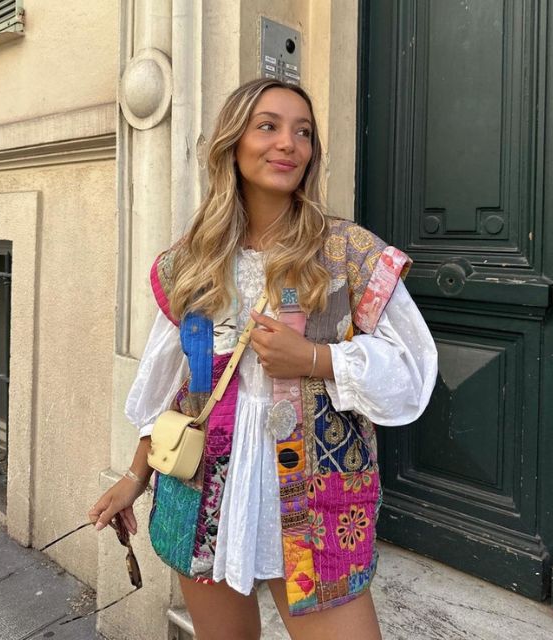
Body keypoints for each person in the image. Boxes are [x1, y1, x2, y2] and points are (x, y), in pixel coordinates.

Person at [89, 77, 437, 640]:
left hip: (314, 498)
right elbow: (167, 385)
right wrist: (135, 476)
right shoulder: (191, 262)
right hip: (205, 491)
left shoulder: (347, 252)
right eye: (268, 126)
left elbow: (412, 371)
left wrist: (316, 359)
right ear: (233, 143)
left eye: (303, 132)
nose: (288, 144)